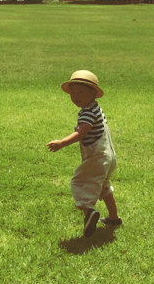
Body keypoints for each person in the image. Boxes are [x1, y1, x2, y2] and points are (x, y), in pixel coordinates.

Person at [47, 70, 122, 237]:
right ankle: (114, 217)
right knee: (104, 186)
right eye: (72, 93)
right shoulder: (95, 108)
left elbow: (82, 132)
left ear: (93, 93)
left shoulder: (88, 113)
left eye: (81, 92)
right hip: (108, 157)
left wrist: (62, 142)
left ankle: (89, 211)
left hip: (97, 158)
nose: (76, 97)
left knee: (79, 182)